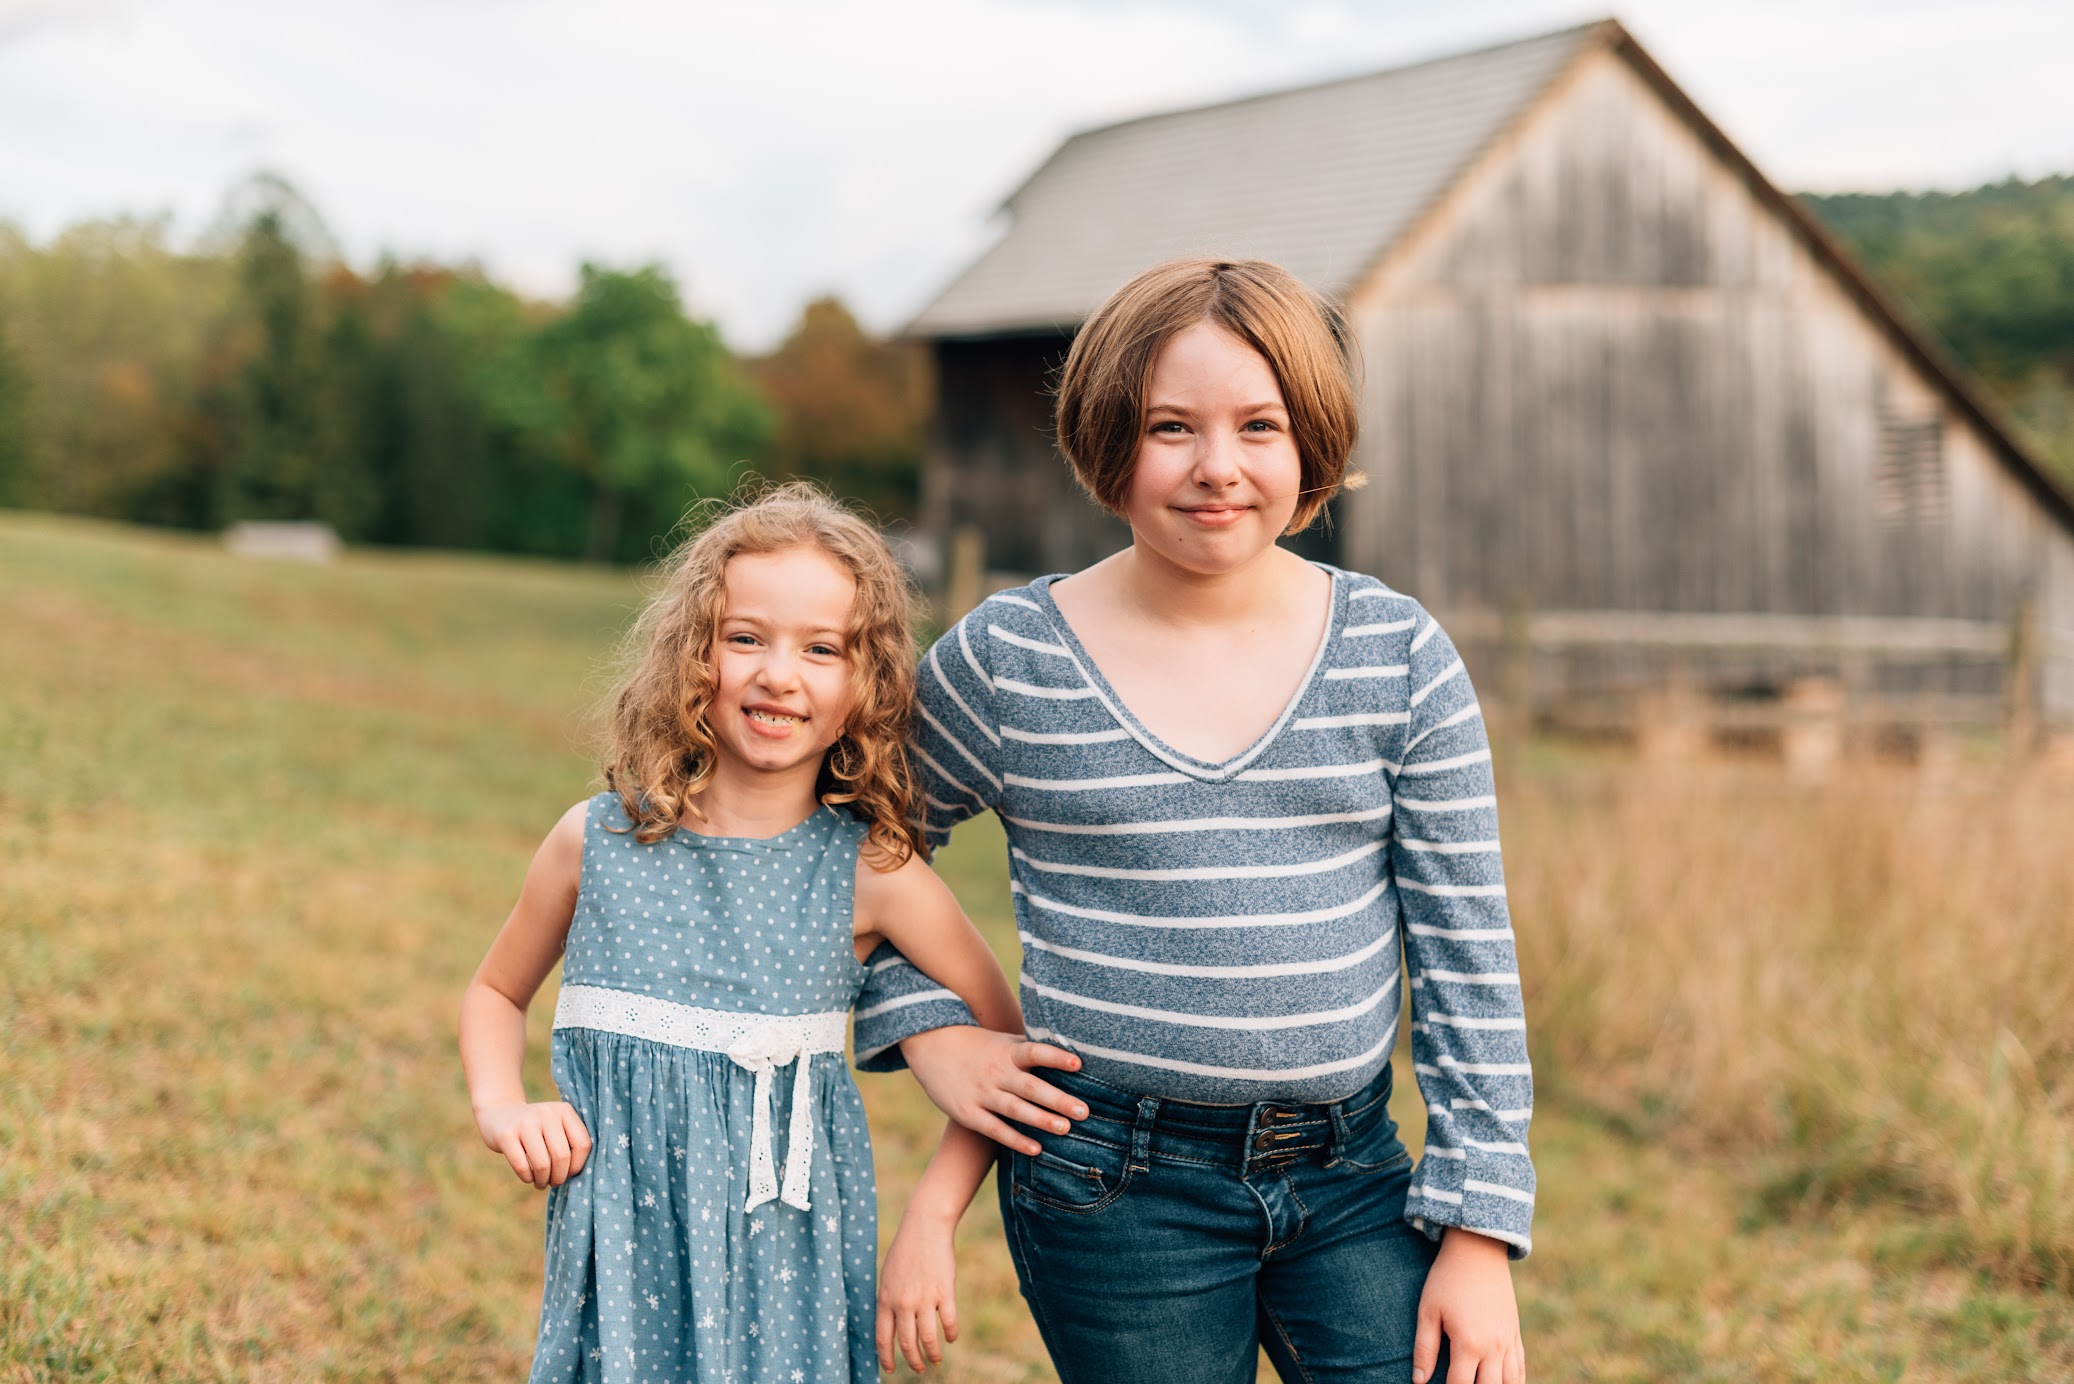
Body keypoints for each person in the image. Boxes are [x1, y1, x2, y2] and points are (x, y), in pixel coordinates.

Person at [856, 258, 1534, 1383]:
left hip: (1354, 1175)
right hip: (1111, 1188)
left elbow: (1469, 960)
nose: (1218, 467)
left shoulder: (1399, 656)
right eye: (1172, 426)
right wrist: (934, 1031)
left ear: (1308, 441)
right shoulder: (1013, 658)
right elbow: (854, 845)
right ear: (1108, 441)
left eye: (1258, 425)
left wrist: (1477, 1231)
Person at [458, 483, 1021, 1383]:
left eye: (822, 648)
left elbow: (1007, 1049)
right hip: (622, 1274)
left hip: (789, 1283)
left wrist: (931, 1222)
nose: (778, 674)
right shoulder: (595, 841)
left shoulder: (871, 875)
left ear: (864, 682)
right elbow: (495, 992)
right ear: (693, 655)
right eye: (745, 637)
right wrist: (502, 1104)